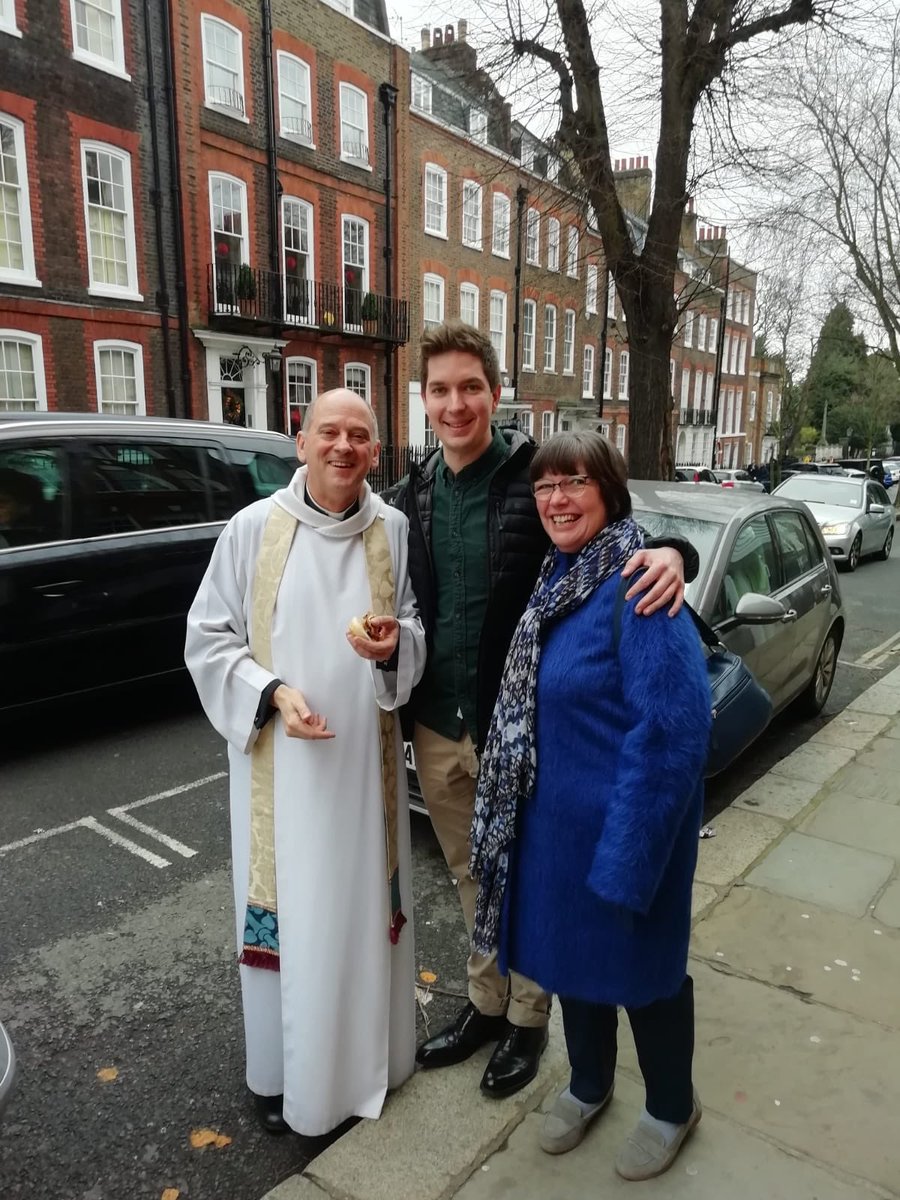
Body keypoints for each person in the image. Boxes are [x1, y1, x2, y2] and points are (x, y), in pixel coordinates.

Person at [388, 320, 697, 1100]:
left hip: (517, 730)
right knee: (472, 874)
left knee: (528, 883)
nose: (455, 404)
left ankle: (529, 1022)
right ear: (423, 401)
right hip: (438, 721)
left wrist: (674, 554)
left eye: (469, 387)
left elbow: (608, 526)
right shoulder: (414, 490)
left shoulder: (535, 475)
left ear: (494, 393)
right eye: (439, 390)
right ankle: (488, 1004)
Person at [469, 431, 711, 1182]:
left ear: (608, 491)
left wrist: (628, 863)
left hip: (623, 842)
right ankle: (589, 1084)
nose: (556, 499)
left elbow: (672, 733)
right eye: (544, 487)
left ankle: (673, 1104)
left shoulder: (640, 586)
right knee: (574, 971)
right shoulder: (560, 576)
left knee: (648, 981)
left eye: (574, 482)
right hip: (553, 841)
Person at [185, 389, 426, 1137]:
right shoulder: (253, 529)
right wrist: (275, 691)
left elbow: (414, 626)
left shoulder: (393, 529)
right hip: (281, 775)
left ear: (377, 453)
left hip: (364, 768)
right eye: (329, 433)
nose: (343, 448)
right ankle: (283, 1077)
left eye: (360, 436)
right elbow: (208, 637)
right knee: (293, 919)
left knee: (358, 910)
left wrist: (395, 650)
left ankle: (368, 1063)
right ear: (301, 441)